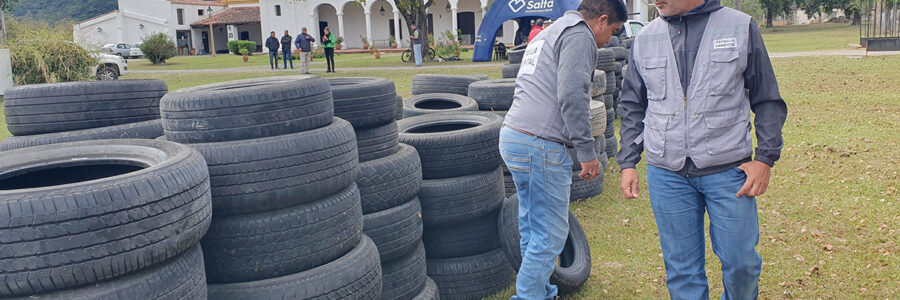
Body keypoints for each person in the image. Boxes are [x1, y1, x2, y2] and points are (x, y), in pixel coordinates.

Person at [617, 0, 788, 297]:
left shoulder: (740, 27)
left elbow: (767, 99)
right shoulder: (645, 38)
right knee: (682, 270)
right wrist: (629, 161)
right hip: (666, 174)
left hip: (728, 171)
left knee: (741, 263)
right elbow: (633, 104)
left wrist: (765, 159)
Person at [499, 0, 627, 299]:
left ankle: (540, 291)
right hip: (540, 143)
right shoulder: (579, 35)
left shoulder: (549, 32)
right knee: (550, 234)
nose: (610, 40)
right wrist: (587, 151)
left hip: (515, 135)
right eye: (614, 30)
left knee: (533, 225)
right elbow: (571, 95)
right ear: (602, 20)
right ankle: (529, 296)